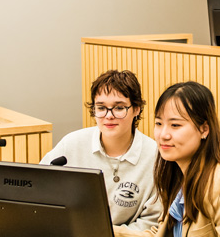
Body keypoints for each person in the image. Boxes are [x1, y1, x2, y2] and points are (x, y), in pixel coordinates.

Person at [113, 81, 220, 237]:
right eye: (159, 123)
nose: (163, 135)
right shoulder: (179, 176)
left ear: (204, 129)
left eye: (175, 125)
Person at [41, 70, 162, 231]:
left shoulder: (156, 156)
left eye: (119, 108)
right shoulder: (72, 143)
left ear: (136, 109)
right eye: (101, 107)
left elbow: (152, 223)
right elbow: (39, 189)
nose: (108, 116)